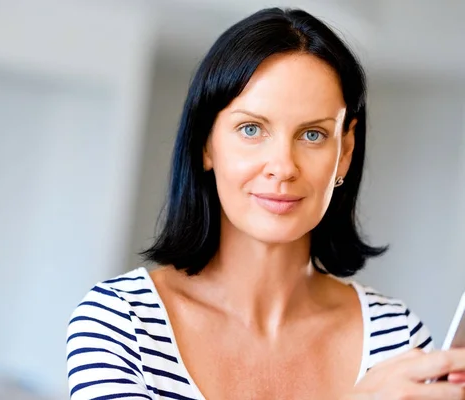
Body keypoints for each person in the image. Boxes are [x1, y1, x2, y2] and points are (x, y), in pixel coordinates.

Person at [66, 7, 465, 400]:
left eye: (312, 135)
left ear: (345, 151)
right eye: (251, 129)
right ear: (206, 143)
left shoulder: (398, 335)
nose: (283, 167)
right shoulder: (121, 323)